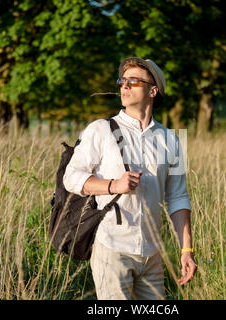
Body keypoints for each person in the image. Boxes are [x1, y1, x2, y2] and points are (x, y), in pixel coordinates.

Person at [63, 57, 197, 300]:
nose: (124, 86)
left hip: (153, 254)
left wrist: (186, 250)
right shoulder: (100, 129)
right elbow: (71, 178)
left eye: (132, 81)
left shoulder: (172, 140)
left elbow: (178, 198)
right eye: (122, 81)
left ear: (153, 90)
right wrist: (113, 185)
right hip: (112, 249)